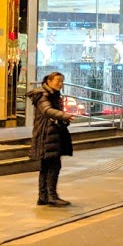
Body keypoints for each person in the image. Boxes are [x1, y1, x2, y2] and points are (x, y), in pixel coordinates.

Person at [29, 72, 73, 207]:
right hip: (46, 135)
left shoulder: (53, 95)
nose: (60, 84)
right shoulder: (43, 95)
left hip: (51, 133)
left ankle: (43, 196)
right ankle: (51, 196)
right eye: (58, 81)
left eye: (62, 81)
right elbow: (47, 110)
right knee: (53, 165)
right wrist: (64, 115)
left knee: (46, 166)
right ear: (49, 81)